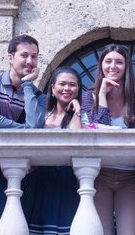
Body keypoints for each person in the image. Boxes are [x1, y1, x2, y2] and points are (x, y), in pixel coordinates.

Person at [0, 34, 46, 232]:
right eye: (24, 55)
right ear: (10, 57)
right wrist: (27, 130)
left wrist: (27, 85)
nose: (30, 61)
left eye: (34, 57)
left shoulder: (38, 96)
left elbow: (36, 127)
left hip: (25, 171)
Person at [81, 44, 135, 235]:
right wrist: (102, 94)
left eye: (119, 62)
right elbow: (98, 133)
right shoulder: (90, 95)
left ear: (127, 66)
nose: (113, 66)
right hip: (100, 174)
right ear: (101, 65)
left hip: (130, 176)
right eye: (108, 61)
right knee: (102, 232)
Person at [29, 66, 83, 234]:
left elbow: (77, 139)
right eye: (62, 84)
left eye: (72, 85)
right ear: (52, 87)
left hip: (68, 182)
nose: (67, 88)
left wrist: (77, 111)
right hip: (40, 180)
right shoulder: (41, 114)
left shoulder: (81, 116)